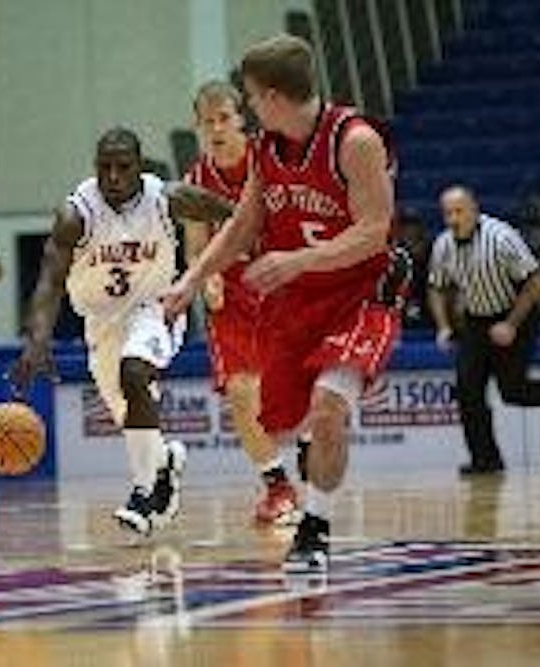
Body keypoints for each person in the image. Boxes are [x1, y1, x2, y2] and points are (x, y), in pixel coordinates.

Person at [164, 35, 404, 571]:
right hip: (300, 302)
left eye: (249, 98)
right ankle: (302, 462)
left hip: (360, 293)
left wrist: (295, 260)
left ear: (273, 97)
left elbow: (374, 231)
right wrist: (191, 280)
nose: (247, 110)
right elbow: (244, 224)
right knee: (273, 422)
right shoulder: (268, 150)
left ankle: (314, 528)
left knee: (328, 411)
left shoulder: (355, 140)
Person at [11, 127, 237, 536]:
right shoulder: (76, 213)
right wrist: (36, 339)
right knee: (131, 415)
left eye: (122, 167)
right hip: (101, 322)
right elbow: (49, 281)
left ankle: (142, 491)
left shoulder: (167, 198)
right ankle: (164, 462)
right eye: (104, 167)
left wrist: (256, 226)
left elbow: (234, 213)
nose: (113, 176)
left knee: (136, 371)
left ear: (139, 166)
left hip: (155, 307)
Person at [182, 80, 301, 525]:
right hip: (232, 297)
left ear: (241, 120)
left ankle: (305, 440)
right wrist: (206, 276)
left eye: (224, 118)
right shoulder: (196, 182)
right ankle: (277, 486)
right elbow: (196, 248)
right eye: (207, 121)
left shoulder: (271, 161)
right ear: (198, 126)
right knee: (240, 391)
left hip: (281, 284)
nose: (216, 128)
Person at [428, 185, 540, 475]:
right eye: (448, 213)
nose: (453, 218)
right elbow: (437, 288)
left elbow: (535, 282)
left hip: (516, 315)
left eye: (459, 211)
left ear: (474, 209)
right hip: (476, 321)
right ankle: (486, 460)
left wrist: (511, 324)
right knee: (468, 391)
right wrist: (443, 327)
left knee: (512, 391)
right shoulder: (443, 245)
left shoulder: (501, 238)